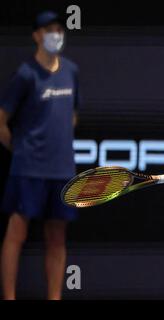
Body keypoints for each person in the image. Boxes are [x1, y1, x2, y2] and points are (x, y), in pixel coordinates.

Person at [0, 11, 80, 300]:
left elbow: (72, 116)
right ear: (36, 35)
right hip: (28, 169)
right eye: (48, 29)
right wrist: (21, 150)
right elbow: (1, 120)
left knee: (57, 238)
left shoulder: (71, 70)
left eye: (59, 29)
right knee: (16, 235)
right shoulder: (24, 74)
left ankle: (54, 296)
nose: (55, 34)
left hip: (61, 171)